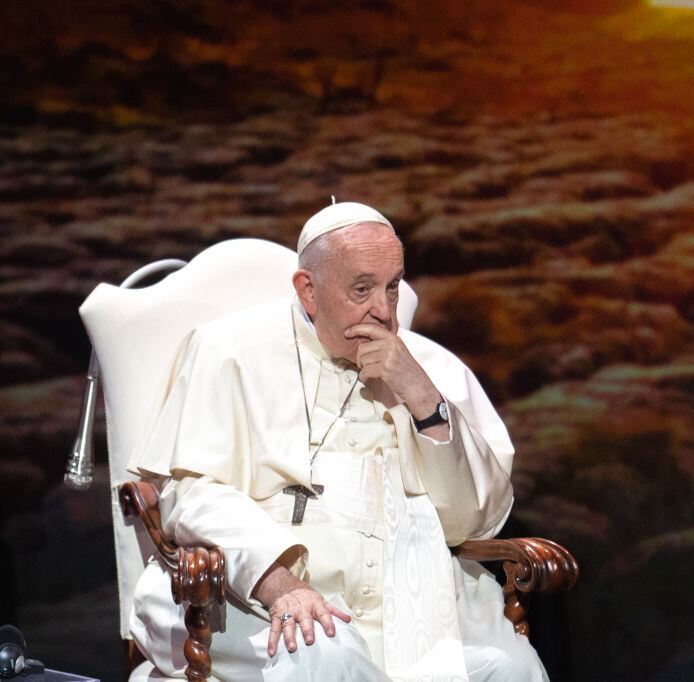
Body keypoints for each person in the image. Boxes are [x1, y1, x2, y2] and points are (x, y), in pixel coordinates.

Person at [127, 201, 547, 681]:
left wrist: (423, 398)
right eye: (362, 289)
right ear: (309, 290)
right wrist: (278, 583)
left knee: (511, 667)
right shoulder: (229, 352)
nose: (384, 311)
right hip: (264, 600)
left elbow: (477, 523)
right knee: (322, 655)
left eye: (393, 287)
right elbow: (192, 492)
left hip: (418, 607)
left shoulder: (433, 368)